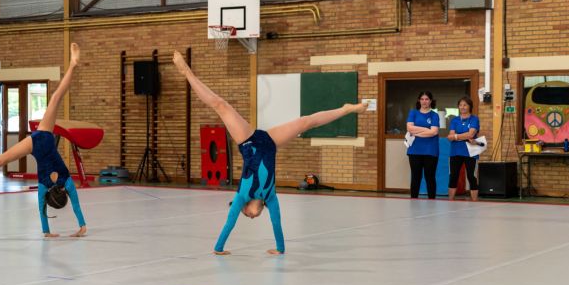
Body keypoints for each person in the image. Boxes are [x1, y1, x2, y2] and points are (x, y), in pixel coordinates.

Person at [172, 50, 367, 255]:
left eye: (246, 215)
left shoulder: (241, 195)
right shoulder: (270, 197)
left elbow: (230, 222)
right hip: (269, 143)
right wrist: (280, 249)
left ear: (244, 208)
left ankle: (186, 72)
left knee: (221, 105)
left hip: (247, 141)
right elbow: (277, 223)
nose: (252, 217)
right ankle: (346, 109)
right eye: (253, 216)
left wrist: (219, 248)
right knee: (305, 122)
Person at [0, 43, 87, 238]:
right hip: (35, 144)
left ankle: (73, 64)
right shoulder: (43, 186)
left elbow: (75, 203)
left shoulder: (66, 180)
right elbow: (41, 211)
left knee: (57, 97)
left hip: (44, 136)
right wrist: (47, 232)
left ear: (63, 193)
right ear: (50, 197)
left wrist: (82, 226)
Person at [406, 91, 440, 199]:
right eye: (422, 99)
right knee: (415, 176)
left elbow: (434, 132)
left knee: (430, 177)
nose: (424, 101)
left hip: (430, 150)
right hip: (414, 150)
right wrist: (426, 129)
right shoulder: (413, 113)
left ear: (430, 101)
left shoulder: (434, 115)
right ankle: (413, 200)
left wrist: (416, 132)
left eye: (426, 99)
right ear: (419, 101)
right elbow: (409, 128)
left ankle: (432, 200)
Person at [447, 96, 480, 201]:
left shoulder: (474, 119)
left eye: (465, 105)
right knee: (453, 176)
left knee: (471, 176)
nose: (463, 107)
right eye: (460, 105)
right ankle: (451, 200)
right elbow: (450, 136)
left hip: (471, 152)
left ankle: (474, 200)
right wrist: (461, 136)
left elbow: (471, 134)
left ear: (470, 106)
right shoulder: (454, 120)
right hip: (455, 152)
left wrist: (456, 136)